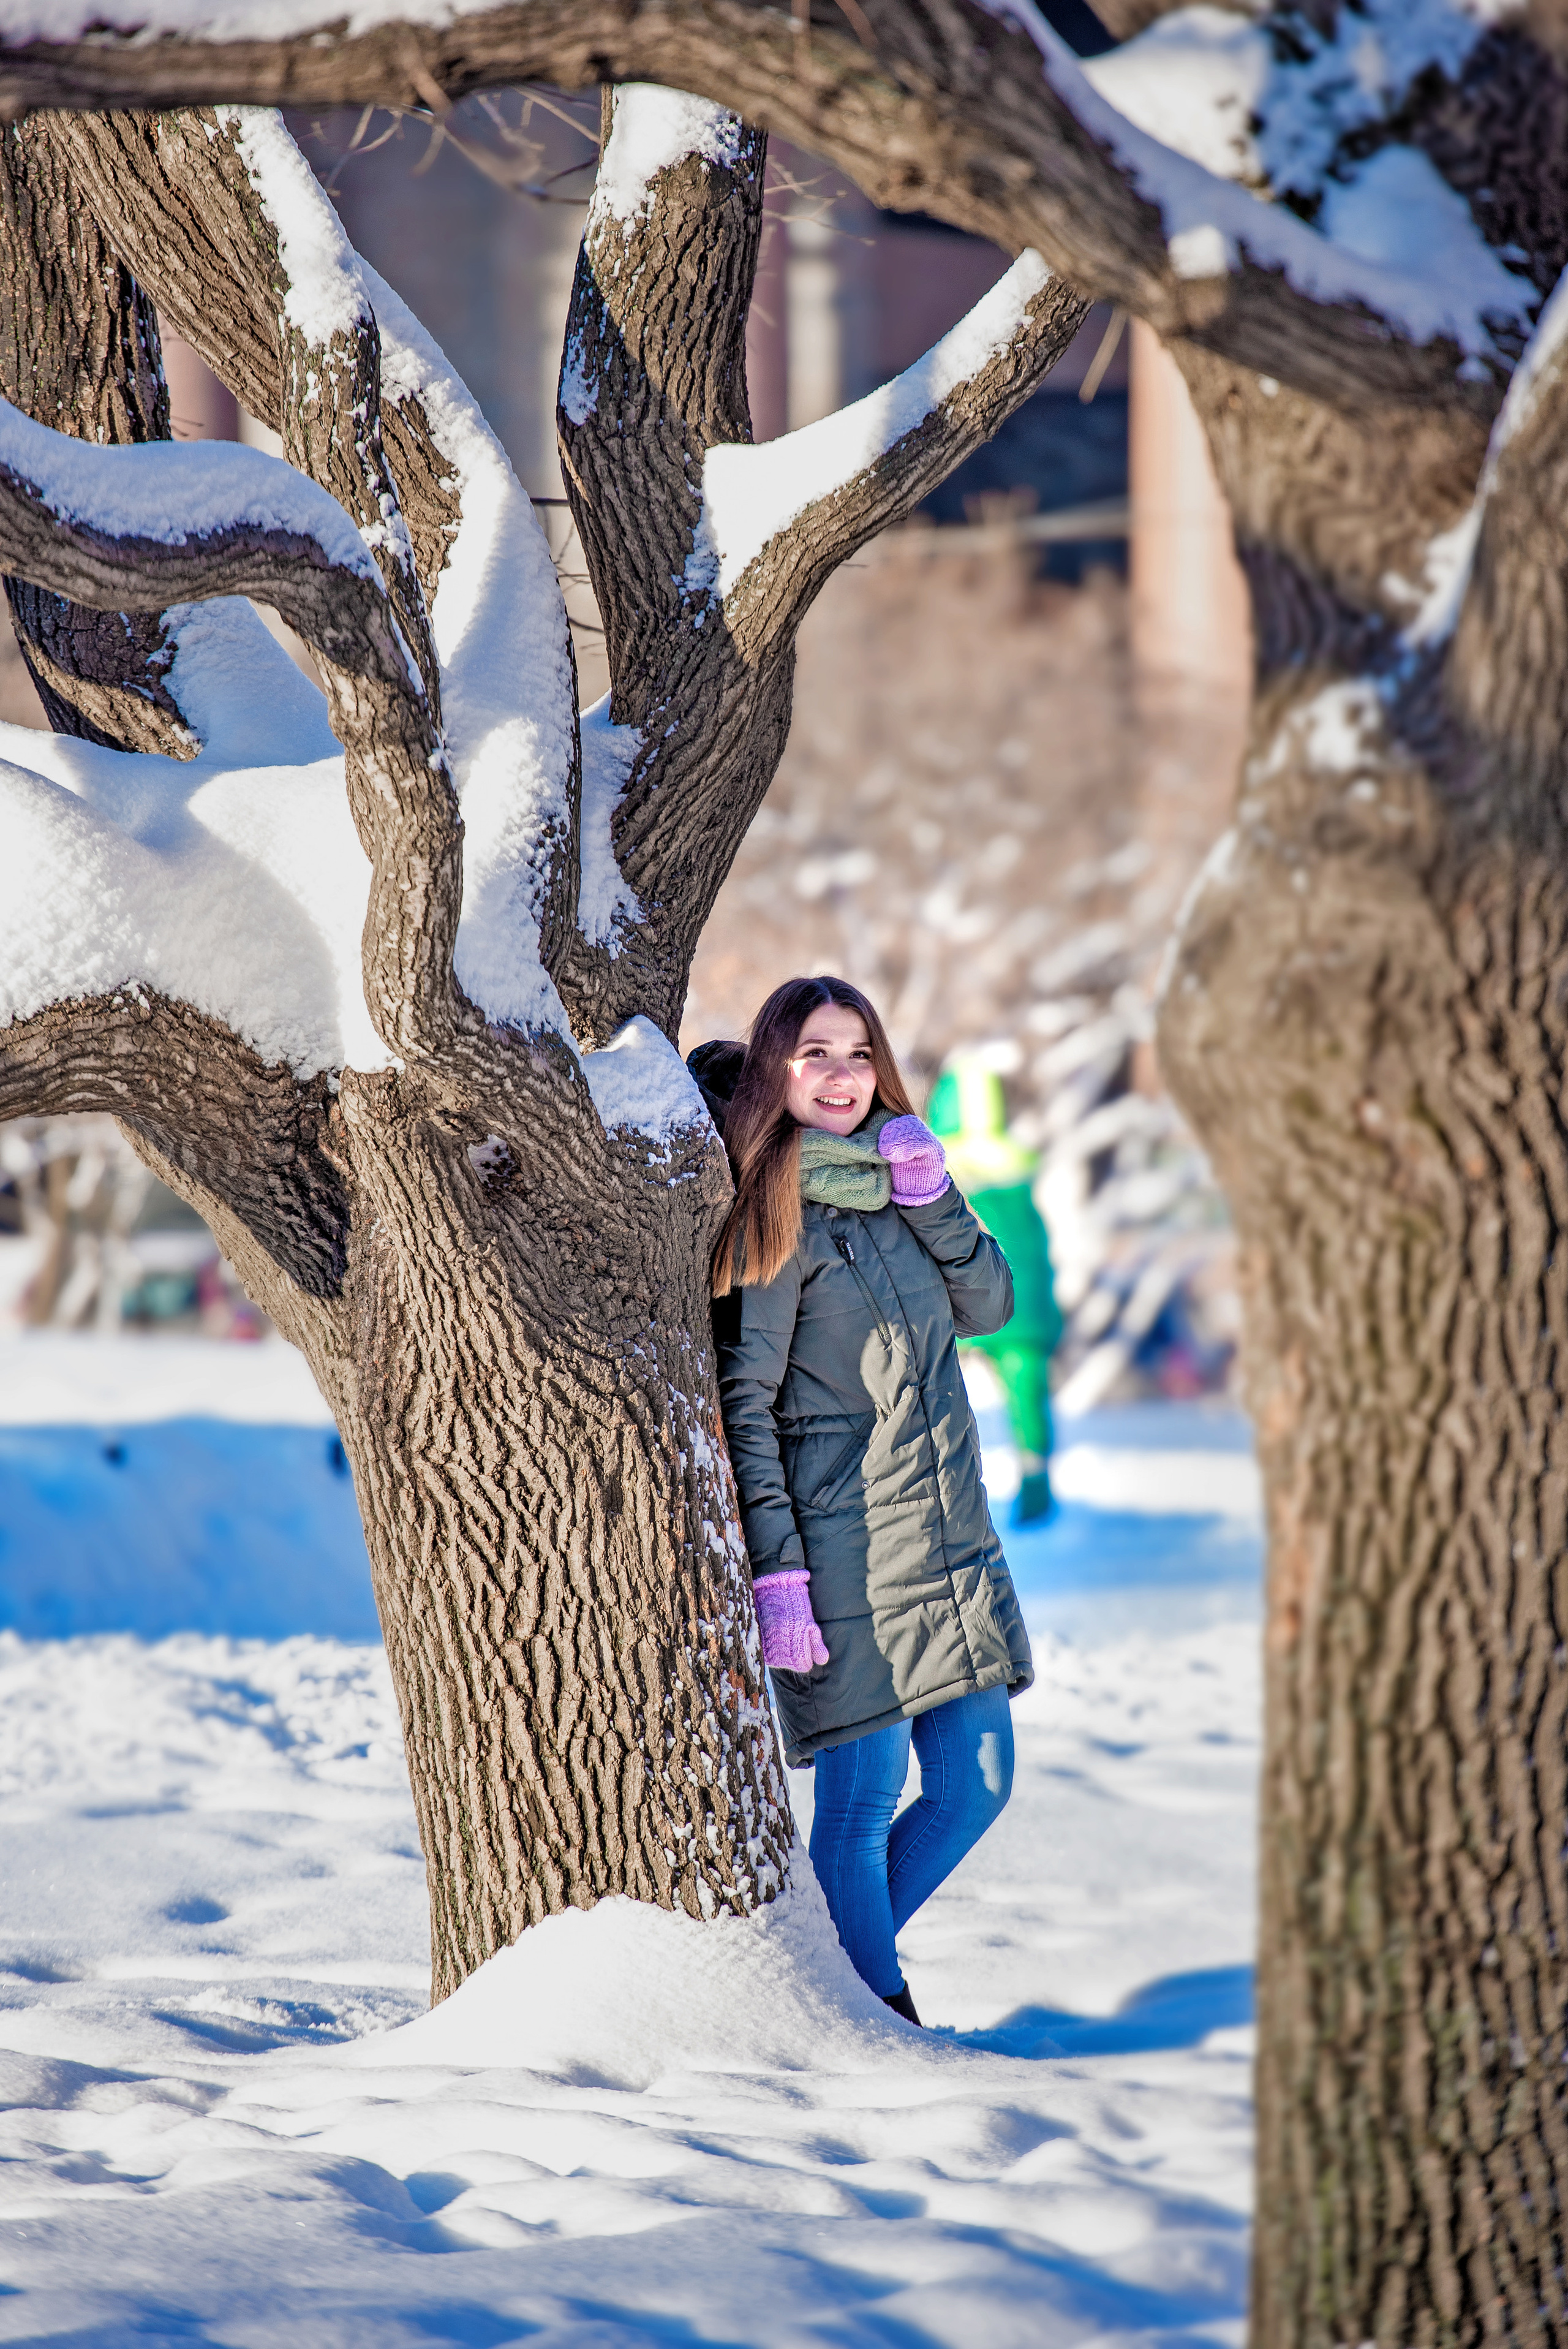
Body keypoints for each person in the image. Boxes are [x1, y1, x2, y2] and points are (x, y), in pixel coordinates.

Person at [696, 976, 1033, 2024]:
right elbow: (743, 1401)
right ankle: (878, 2015)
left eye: (856, 1052)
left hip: (945, 1536)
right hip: (839, 1548)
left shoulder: (899, 1184)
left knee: (976, 1780)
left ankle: (825, 1981)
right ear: (776, 1073)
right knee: (860, 1801)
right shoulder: (777, 1211)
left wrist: (938, 1195)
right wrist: (778, 1566)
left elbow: (990, 1302)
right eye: (814, 1055)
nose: (840, 1076)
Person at [927, 1054, 1063, 1524]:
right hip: (1022, 1305)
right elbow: (1037, 1245)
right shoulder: (1019, 1163)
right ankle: (1036, 1481)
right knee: (1027, 1397)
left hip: (960, 1301)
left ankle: (947, 1492)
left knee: (937, 1394)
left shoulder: (934, 1159)